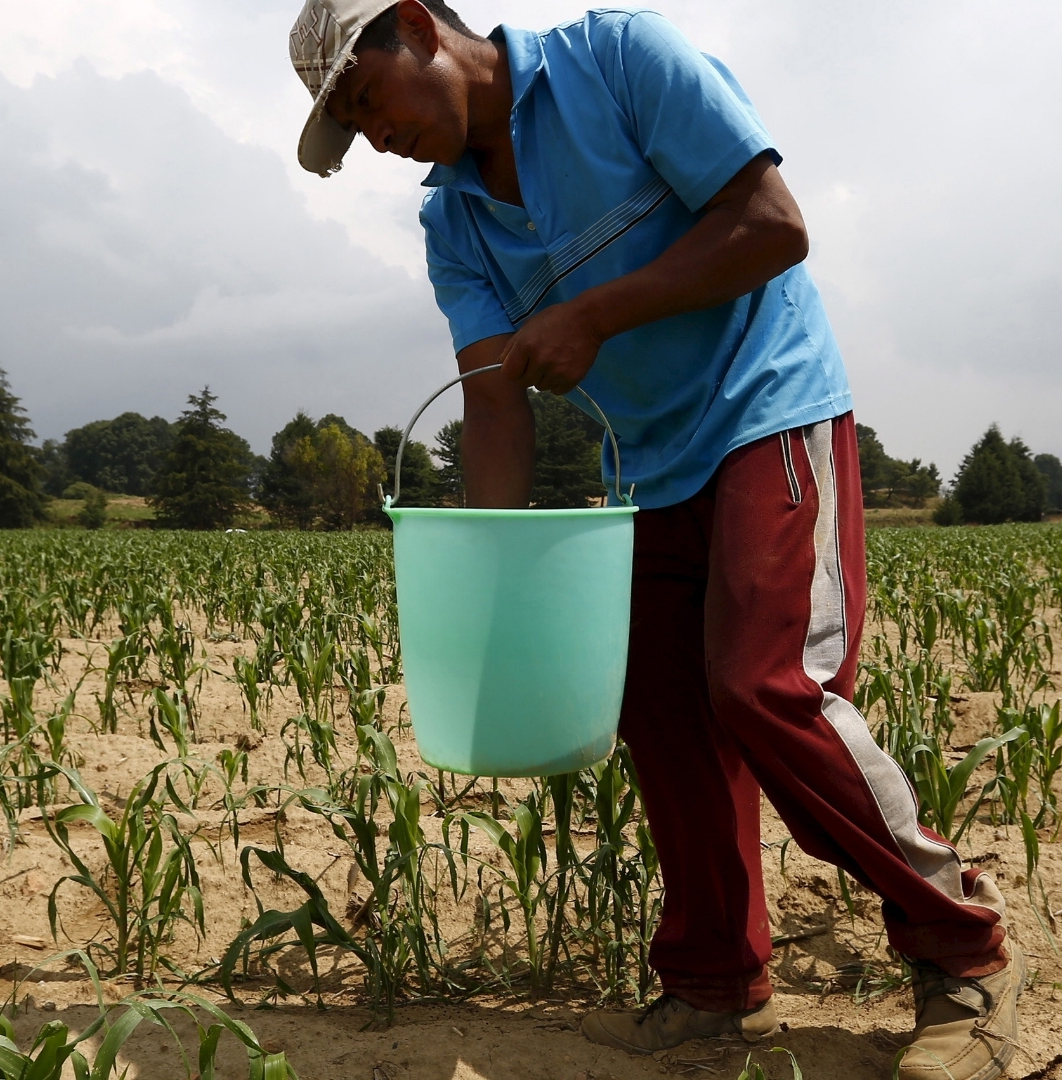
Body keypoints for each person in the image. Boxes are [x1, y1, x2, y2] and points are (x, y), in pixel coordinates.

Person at [287, 3, 1022, 1076]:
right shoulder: (454, 222)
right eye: (349, 128)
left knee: (763, 684)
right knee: (658, 708)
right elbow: (496, 405)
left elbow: (773, 223)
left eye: (365, 97)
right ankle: (718, 987)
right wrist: (496, 590)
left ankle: (968, 951)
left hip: (768, 405)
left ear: (417, 25)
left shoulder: (618, 60)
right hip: (648, 463)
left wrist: (596, 314)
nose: (373, 136)